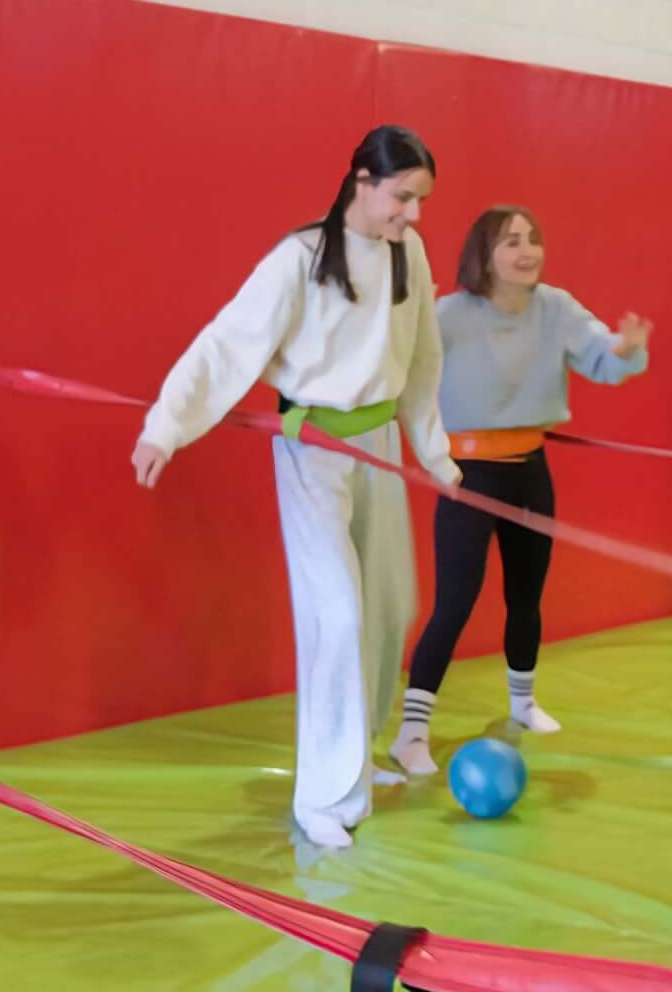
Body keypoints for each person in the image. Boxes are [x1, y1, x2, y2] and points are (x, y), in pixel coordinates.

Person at [135, 126, 458, 849]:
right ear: (361, 181)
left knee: (389, 604)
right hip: (314, 447)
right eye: (402, 197)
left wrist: (434, 454)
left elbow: (422, 360)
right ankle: (324, 795)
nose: (413, 214)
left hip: (378, 445)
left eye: (421, 200)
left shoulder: (411, 254)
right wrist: (166, 426)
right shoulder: (300, 260)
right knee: (337, 616)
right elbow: (226, 344)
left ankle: (359, 753)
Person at [392, 207, 650, 776]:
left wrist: (626, 350)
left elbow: (602, 355)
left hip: (530, 470)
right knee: (454, 604)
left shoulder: (556, 308)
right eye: (512, 242)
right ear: (484, 255)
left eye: (534, 238)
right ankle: (411, 732)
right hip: (468, 474)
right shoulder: (451, 315)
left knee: (526, 596)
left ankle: (523, 702)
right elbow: (403, 364)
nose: (527, 250)